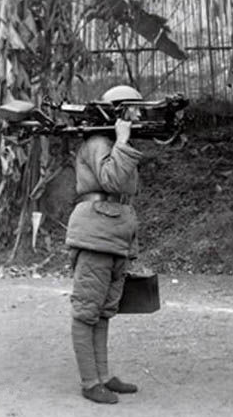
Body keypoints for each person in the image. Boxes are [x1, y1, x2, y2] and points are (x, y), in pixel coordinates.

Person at [65, 85, 145, 404]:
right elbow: (111, 180)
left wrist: (123, 143)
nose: (139, 114)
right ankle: (90, 382)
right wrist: (122, 141)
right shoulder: (99, 143)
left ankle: (103, 375)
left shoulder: (110, 144)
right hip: (96, 234)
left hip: (113, 234)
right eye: (134, 108)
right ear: (118, 112)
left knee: (103, 312)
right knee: (87, 311)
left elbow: (124, 190)